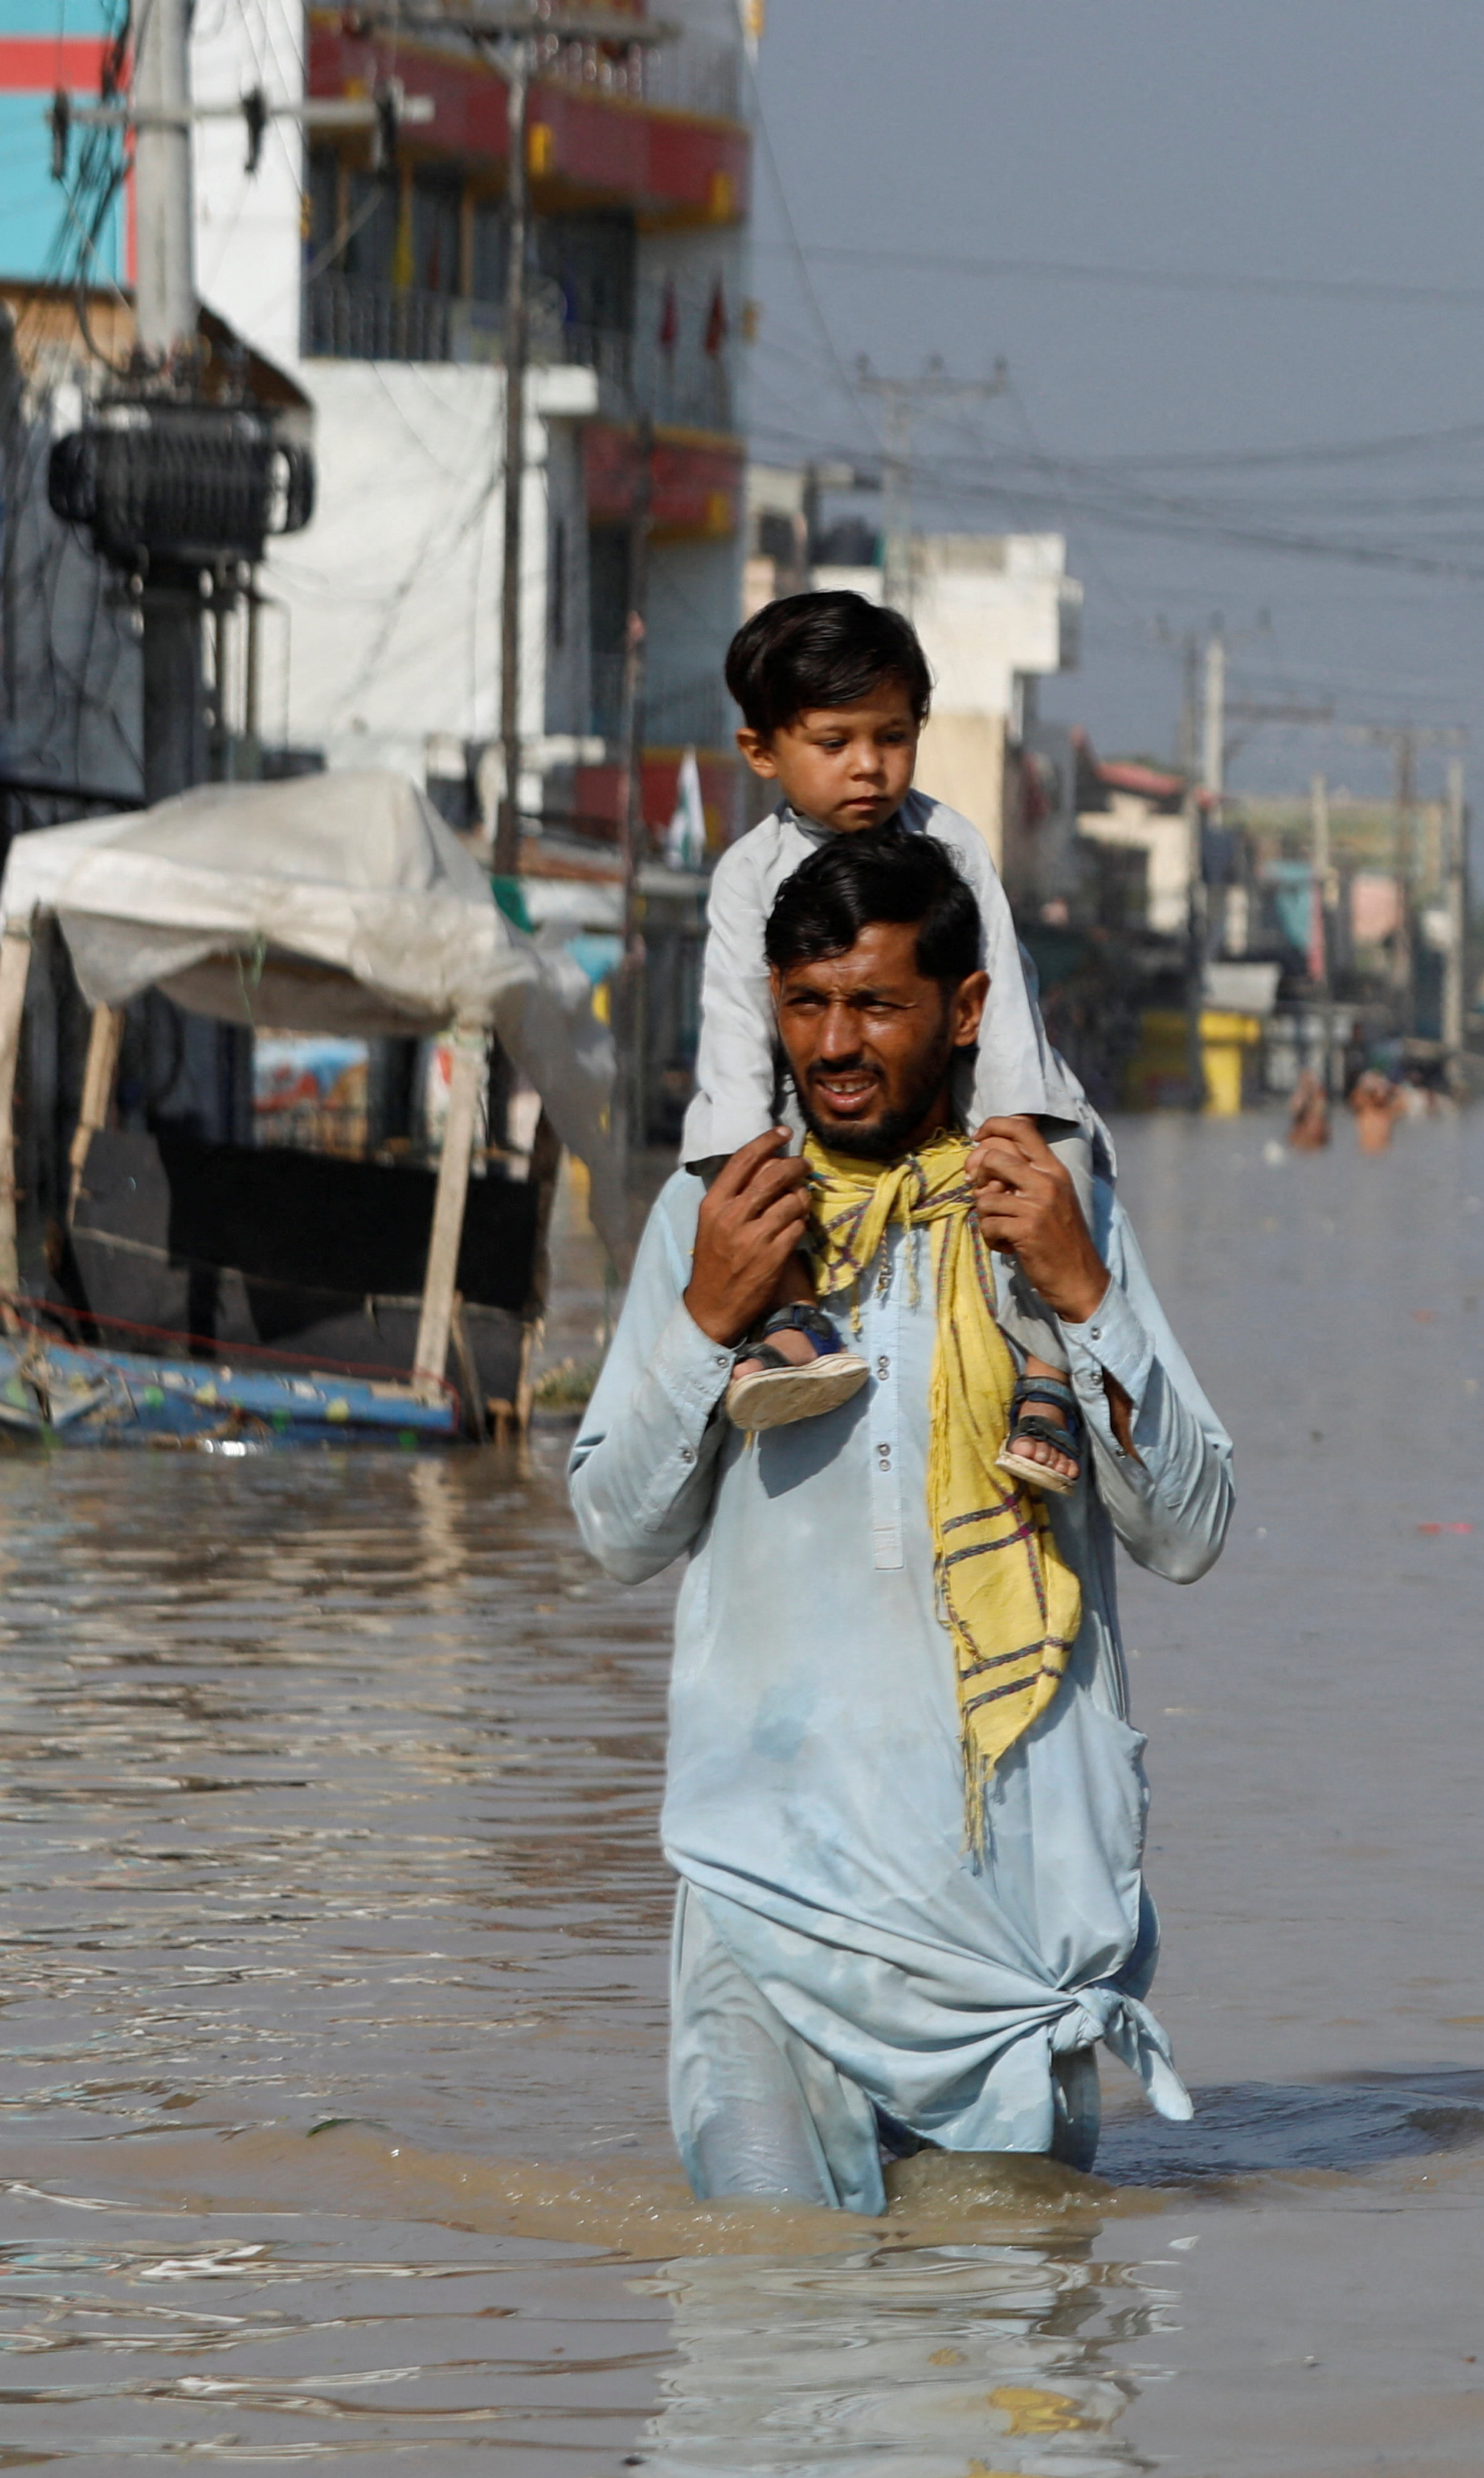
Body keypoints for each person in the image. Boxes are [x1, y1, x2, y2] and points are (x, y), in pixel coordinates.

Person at [569, 824, 1236, 2213]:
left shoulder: (1058, 1209)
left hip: (1006, 1927)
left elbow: (1192, 1527)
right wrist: (706, 1320)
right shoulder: (719, 1217)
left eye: (876, 1003)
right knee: (769, 2328)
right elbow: (616, 1532)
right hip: (767, 1893)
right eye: (806, 1006)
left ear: (968, 1011)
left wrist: (1083, 1296)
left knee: (1008, 2356)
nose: (836, 1044)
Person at [689, 592, 1094, 1496]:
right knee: (742, 1168)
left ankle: (1047, 1374)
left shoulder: (951, 842)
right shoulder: (747, 875)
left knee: (1054, 1172)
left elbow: (1008, 1007)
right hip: (807, 1111)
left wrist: (1013, 1125)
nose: (869, 768)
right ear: (762, 751)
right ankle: (796, 1320)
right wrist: (741, 1151)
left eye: (892, 737)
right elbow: (732, 1034)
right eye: (835, 744)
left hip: (971, 1088)